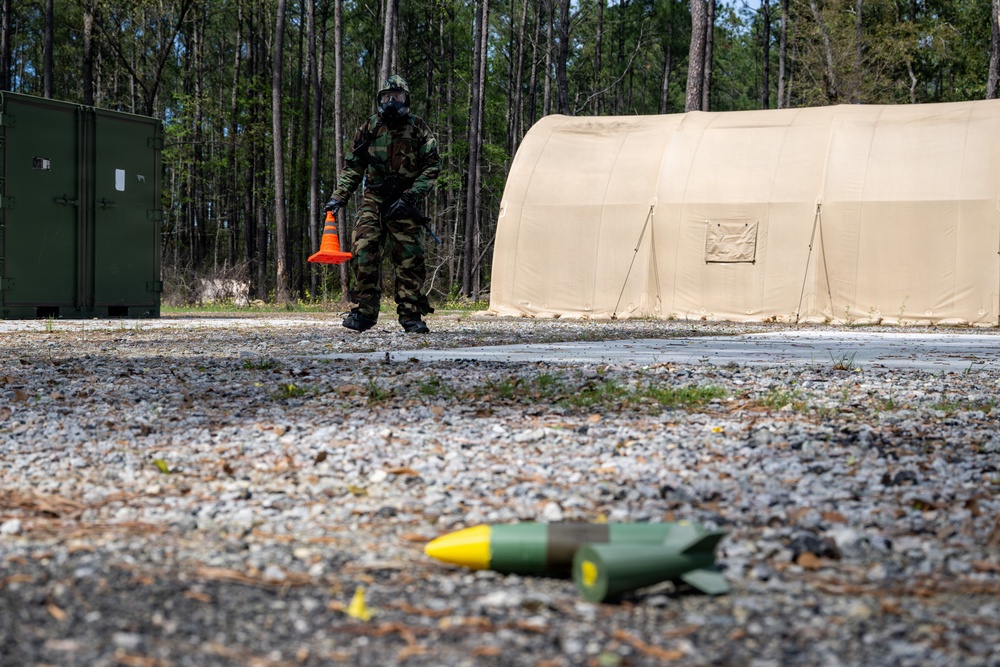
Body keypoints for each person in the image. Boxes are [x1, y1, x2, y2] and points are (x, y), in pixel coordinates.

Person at [324, 74, 441, 334]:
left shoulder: (418, 128)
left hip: (405, 201)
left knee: (410, 258)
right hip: (374, 201)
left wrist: (411, 196)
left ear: (405, 99)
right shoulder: (369, 128)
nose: (391, 102)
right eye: (386, 97)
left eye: (396, 97)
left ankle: (411, 315)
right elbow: (353, 167)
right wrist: (338, 197)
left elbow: (432, 166)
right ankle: (365, 312)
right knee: (363, 251)